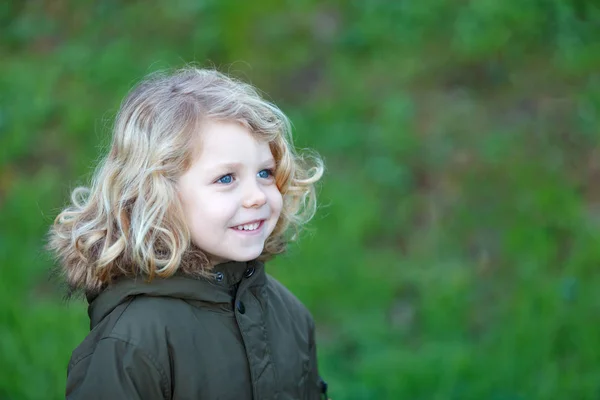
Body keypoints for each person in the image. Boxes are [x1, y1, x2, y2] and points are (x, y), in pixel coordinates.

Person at [48, 67, 328, 399]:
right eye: (226, 178)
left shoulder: (289, 314)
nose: (257, 196)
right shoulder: (131, 343)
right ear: (158, 195)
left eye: (265, 172)